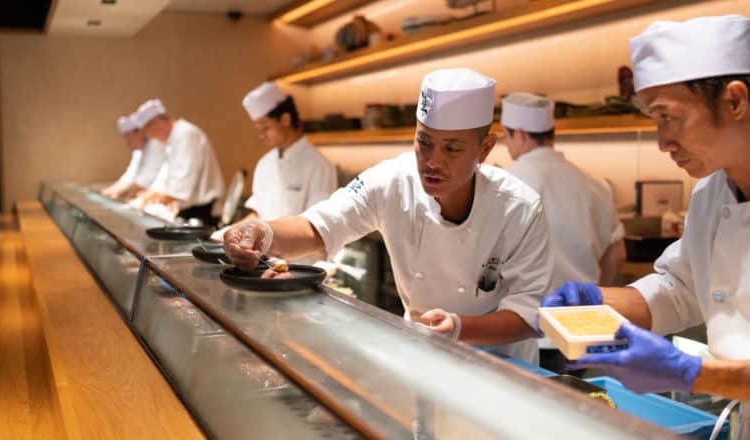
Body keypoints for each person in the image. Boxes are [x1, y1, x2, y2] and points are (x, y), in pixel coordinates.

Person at [224, 68, 554, 364]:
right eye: (423, 142)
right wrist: (261, 233)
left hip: (503, 370)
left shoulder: (520, 208)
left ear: (484, 149)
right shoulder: (391, 181)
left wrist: (459, 329)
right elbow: (320, 225)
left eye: (452, 148)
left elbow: (528, 314)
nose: (432, 161)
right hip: (424, 355)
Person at [540, 15, 750, 436]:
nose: (662, 142)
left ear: (734, 101)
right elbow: (679, 289)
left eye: (668, 117)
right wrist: (598, 301)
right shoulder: (712, 193)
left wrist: (691, 374)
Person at [501, 92, 626, 287]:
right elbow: (617, 254)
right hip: (582, 310)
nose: (506, 143)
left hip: (522, 311)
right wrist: (596, 295)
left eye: (505, 136)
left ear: (519, 135)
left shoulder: (503, 183)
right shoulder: (596, 184)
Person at [242, 82, 338, 222]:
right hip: (265, 242)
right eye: (258, 129)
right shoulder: (264, 163)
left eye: (266, 127)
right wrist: (229, 232)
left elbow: (318, 225)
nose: (261, 135)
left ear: (285, 119)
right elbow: (258, 214)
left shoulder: (319, 166)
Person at [135, 99, 225, 226]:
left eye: (147, 132)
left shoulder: (185, 134)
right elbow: (164, 176)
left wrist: (153, 199)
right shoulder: (173, 139)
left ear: (156, 123)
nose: (151, 137)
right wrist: (149, 195)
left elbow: (182, 182)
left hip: (202, 211)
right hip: (188, 209)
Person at [102, 112, 166, 200]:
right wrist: (106, 192)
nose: (128, 143)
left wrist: (119, 196)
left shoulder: (155, 145)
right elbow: (129, 176)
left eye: (127, 137)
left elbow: (144, 182)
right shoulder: (138, 151)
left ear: (139, 132)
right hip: (146, 195)